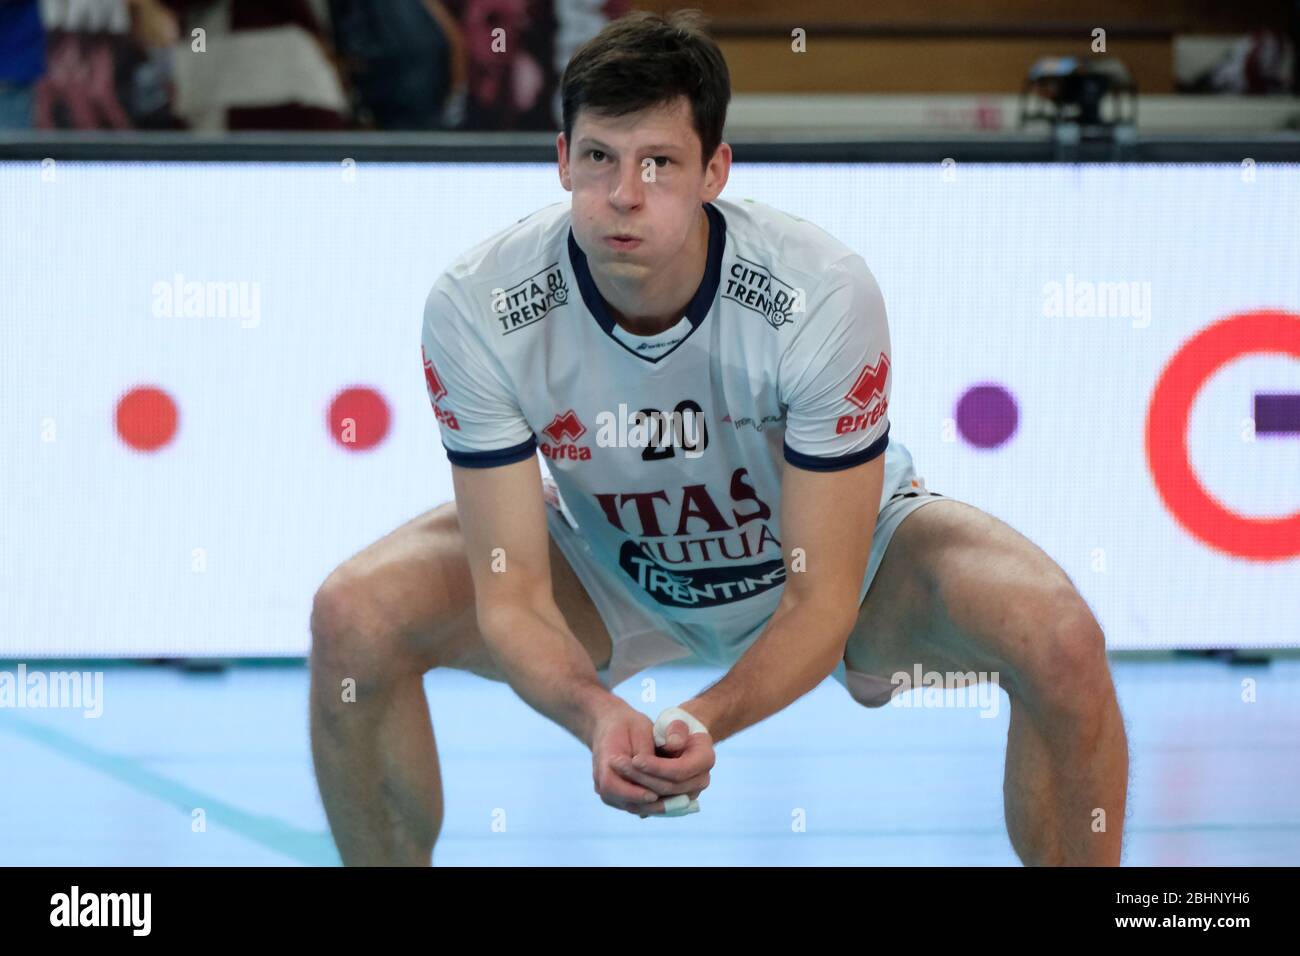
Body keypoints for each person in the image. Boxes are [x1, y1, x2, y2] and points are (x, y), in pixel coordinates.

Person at [309, 9, 1129, 866]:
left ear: (715, 171)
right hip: (614, 566)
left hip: (840, 574)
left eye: (659, 163)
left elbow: (821, 600)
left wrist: (703, 719)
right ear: (561, 160)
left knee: (1059, 637)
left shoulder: (819, 293)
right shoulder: (479, 304)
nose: (624, 193)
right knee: (354, 616)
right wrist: (599, 716)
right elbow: (511, 598)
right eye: (598, 158)